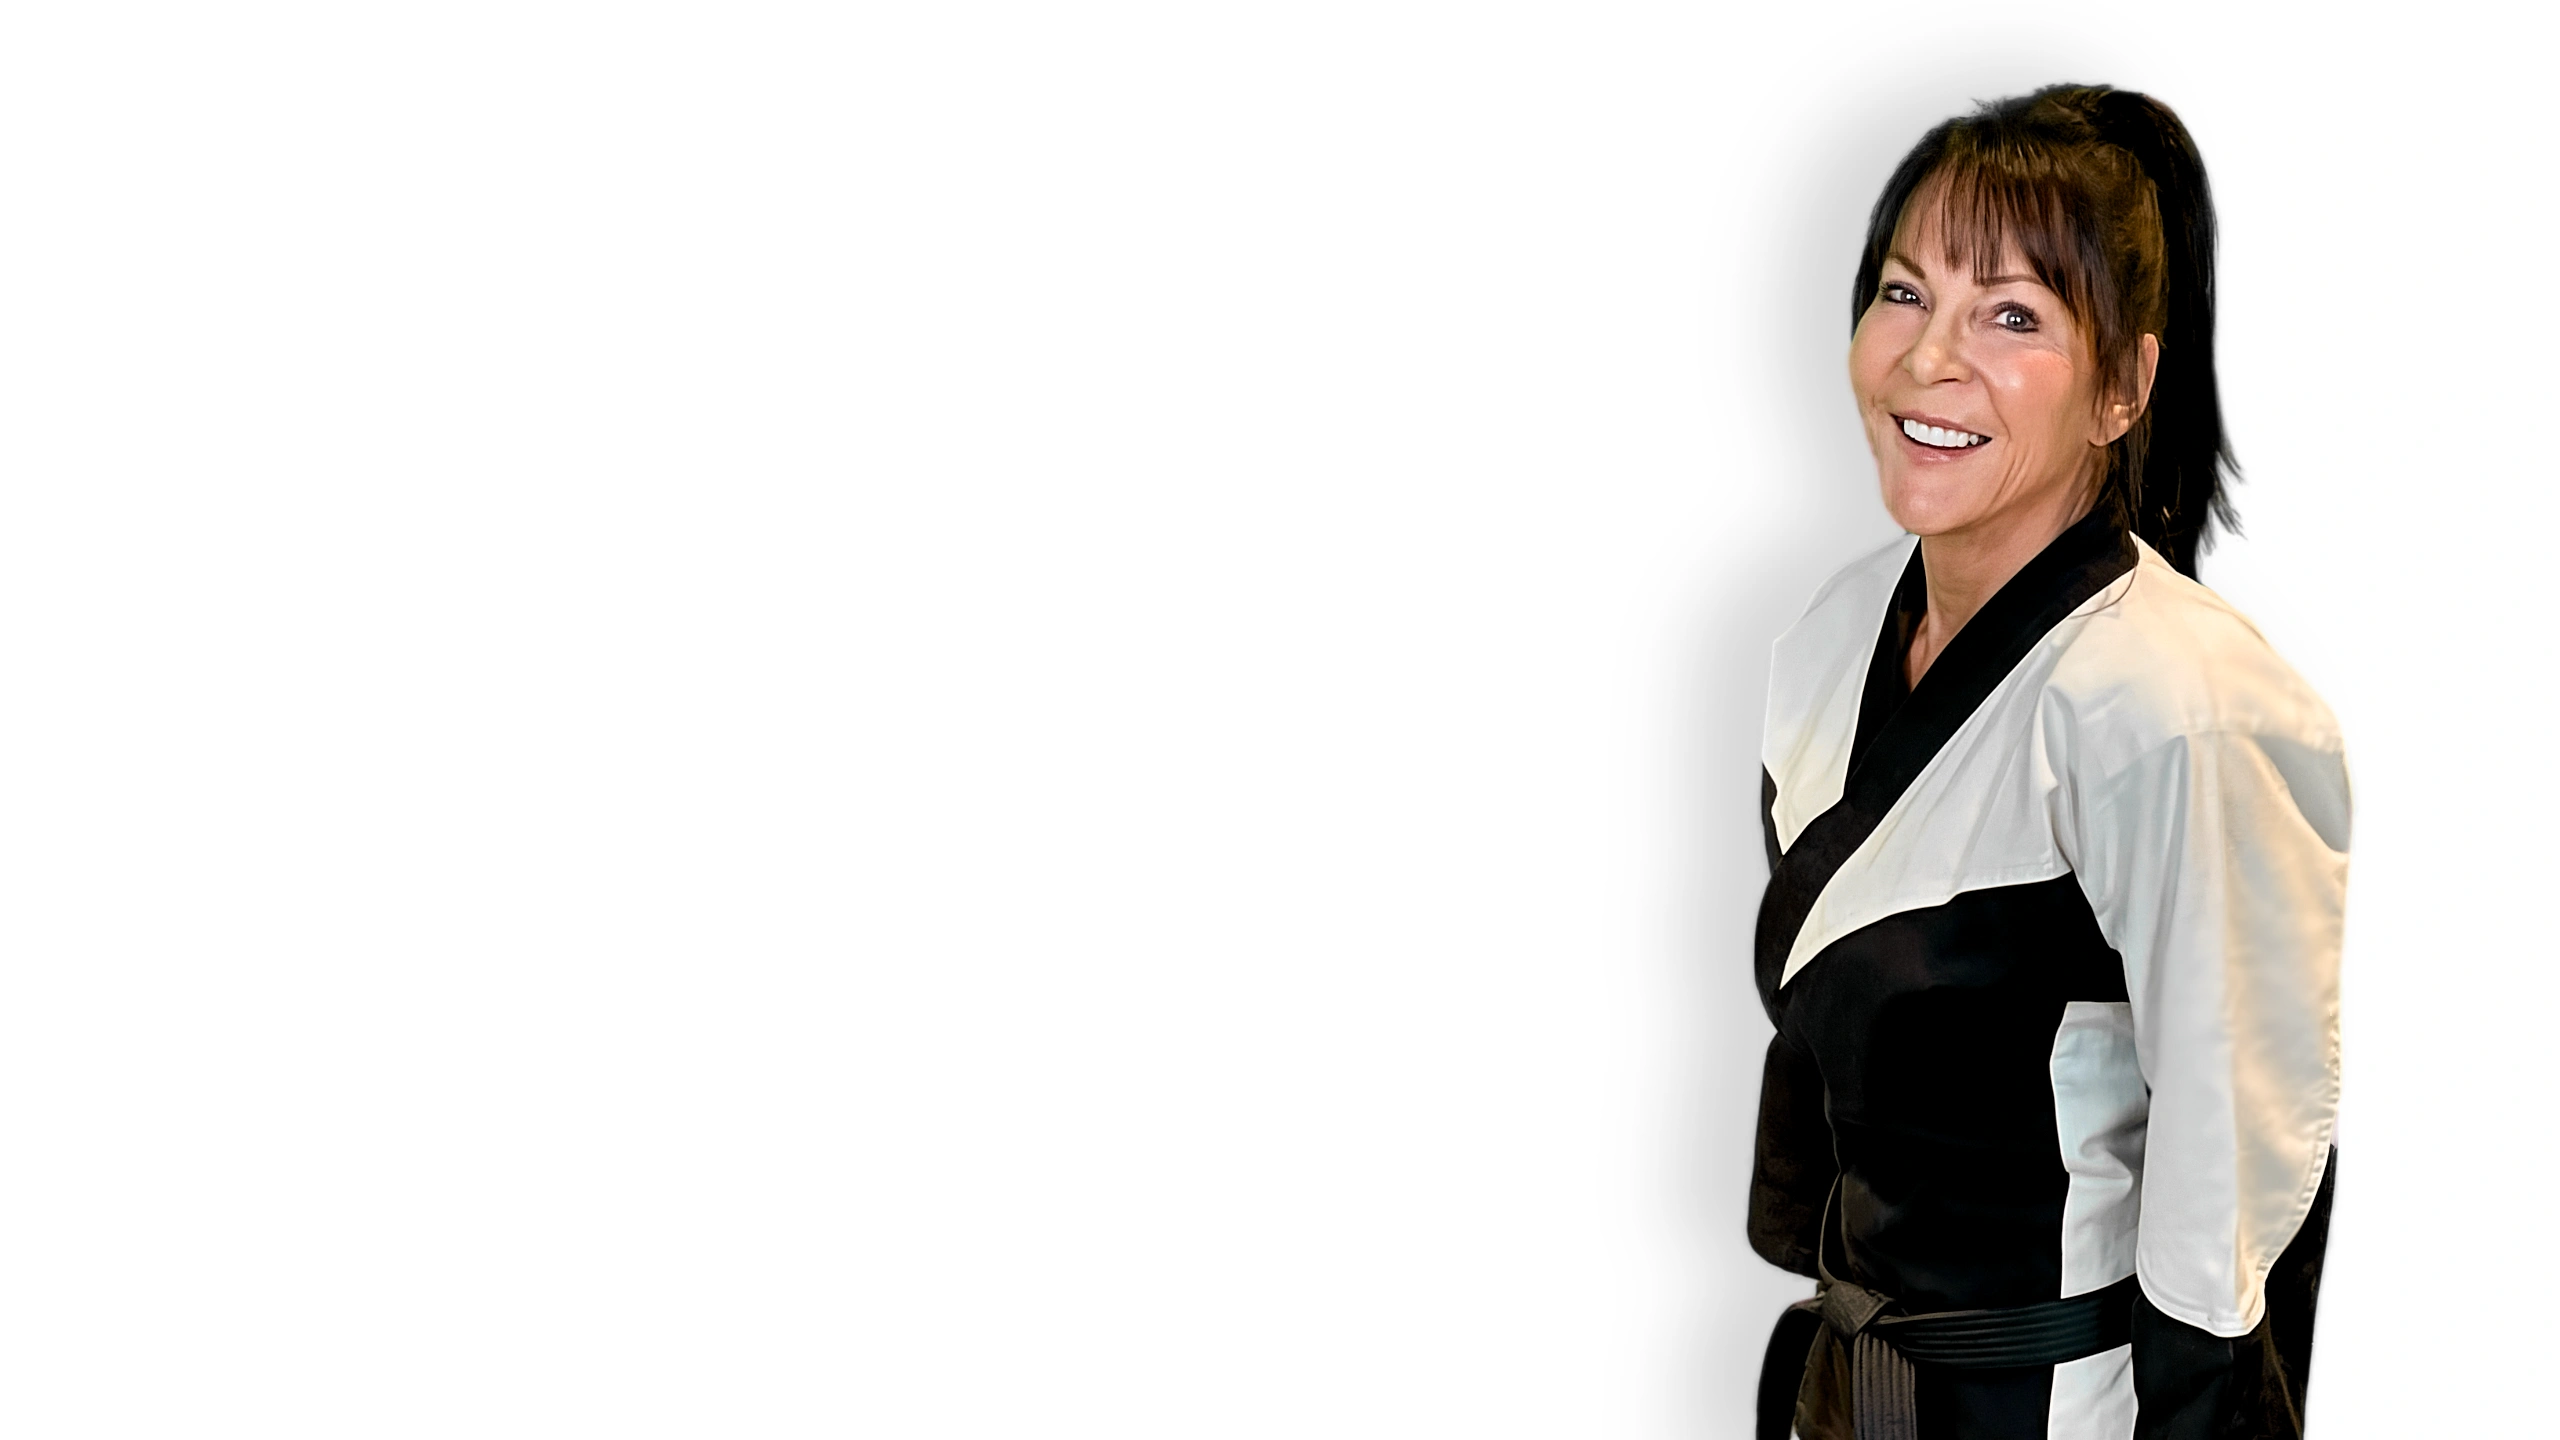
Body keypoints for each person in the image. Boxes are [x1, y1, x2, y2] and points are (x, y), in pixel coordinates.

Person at [1746, 85, 2345, 1440]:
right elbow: (1823, 1026)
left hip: (2065, 1405)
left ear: (2122, 388)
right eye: (1905, 294)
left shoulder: (2177, 703)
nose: (1928, 361)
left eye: (2011, 315)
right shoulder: (1834, 633)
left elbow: (2241, 1181)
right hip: (1861, 1390)